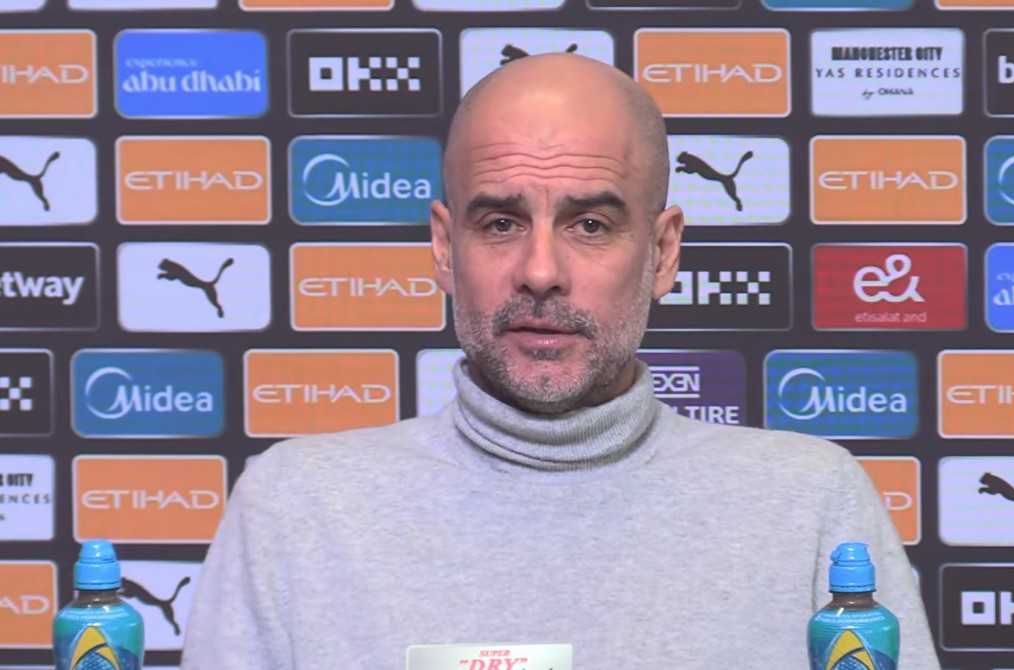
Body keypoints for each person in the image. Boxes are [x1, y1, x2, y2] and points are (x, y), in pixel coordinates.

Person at [180, 53, 941, 669]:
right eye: (501, 222)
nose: (540, 272)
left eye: (591, 225)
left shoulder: (808, 503)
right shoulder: (297, 509)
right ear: (444, 247)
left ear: (662, 251)